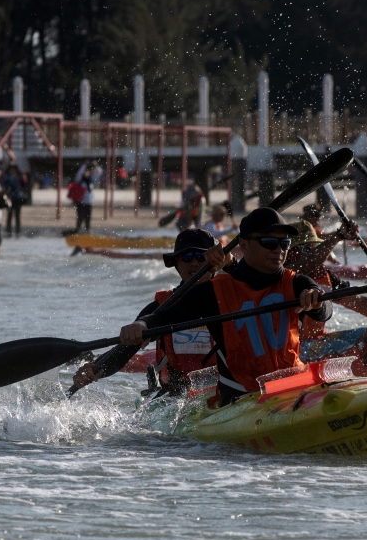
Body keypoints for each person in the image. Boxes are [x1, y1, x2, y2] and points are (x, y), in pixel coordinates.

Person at [118, 207, 332, 405]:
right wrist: (142, 325)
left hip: (289, 388)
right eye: (269, 242)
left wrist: (316, 301)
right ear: (245, 245)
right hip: (240, 398)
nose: (278, 250)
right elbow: (168, 315)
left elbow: (325, 312)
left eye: (284, 243)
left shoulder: (297, 283)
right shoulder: (214, 291)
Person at [72, 229, 222, 393]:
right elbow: (124, 351)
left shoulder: (232, 298)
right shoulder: (160, 307)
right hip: (175, 395)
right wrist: (97, 368)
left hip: (222, 390)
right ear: (177, 264)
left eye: (201, 257)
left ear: (214, 264)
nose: (194, 262)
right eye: (186, 257)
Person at [71, 162, 101, 232]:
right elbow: (79, 173)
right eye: (85, 172)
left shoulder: (90, 181)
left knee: (88, 218)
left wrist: (96, 165)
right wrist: (85, 165)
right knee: (80, 217)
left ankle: (88, 230)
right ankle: (78, 230)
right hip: (80, 202)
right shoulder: (79, 180)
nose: (86, 173)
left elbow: (99, 173)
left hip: (89, 202)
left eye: (87, 172)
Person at [4, 164, 27, 237]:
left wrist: (24, 178)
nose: (12, 171)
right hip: (11, 198)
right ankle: (8, 230)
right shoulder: (8, 177)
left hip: (18, 198)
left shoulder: (19, 177)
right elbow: (6, 185)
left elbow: (24, 185)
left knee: (17, 215)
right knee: (10, 215)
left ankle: (18, 230)